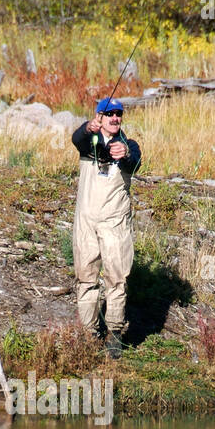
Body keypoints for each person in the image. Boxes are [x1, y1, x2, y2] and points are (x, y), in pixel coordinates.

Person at [71, 97, 141, 359]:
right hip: (86, 222)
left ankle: (115, 335)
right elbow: (76, 138)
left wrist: (124, 155)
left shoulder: (129, 146)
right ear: (99, 116)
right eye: (109, 113)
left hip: (115, 223)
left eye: (118, 114)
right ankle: (88, 334)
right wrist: (86, 128)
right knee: (86, 277)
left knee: (116, 278)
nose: (115, 118)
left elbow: (134, 161)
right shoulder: (86, 144)